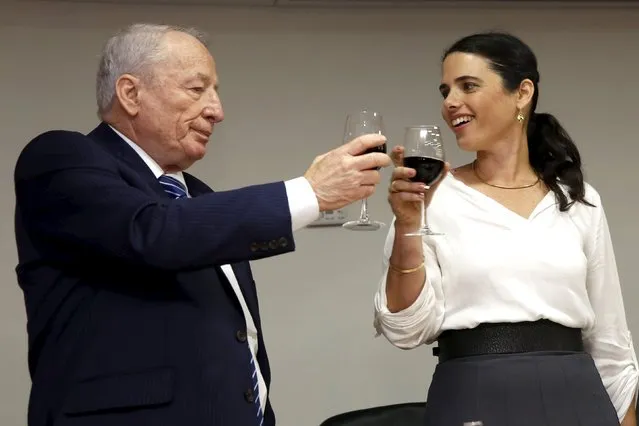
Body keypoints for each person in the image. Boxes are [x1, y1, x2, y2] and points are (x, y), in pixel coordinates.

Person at [13, 23, 390, 426]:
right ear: (130, 93)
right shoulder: (60, 157)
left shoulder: (201, 197)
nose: (217, 110)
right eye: (197, 89)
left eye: (215, 91)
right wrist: (309, 192)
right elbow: (151, 233)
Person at [373, 31, 638, 426]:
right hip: (473, 394)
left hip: (579, 397)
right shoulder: (430, 197)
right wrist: (409, 224)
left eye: (468, 86)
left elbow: (611, 342)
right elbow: (404, 328)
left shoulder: (579, 200)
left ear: (522, 92)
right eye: (445, 90)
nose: (450, 102)